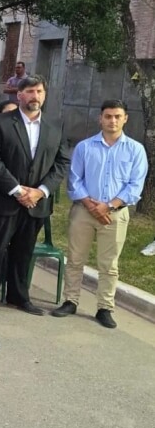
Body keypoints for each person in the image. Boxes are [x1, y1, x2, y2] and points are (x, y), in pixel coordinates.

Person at [0, 75, 70, 316]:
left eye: (39, 91)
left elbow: (61, 162)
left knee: (24, 252)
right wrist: (17, 190)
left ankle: (18, 297)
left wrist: (41, 191)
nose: (35, 96)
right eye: (30, 92)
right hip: (3, 200)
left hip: (36, 203)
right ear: (19, 95)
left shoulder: (55, 125)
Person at [52, 100, 148, 328]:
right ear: (100, 118)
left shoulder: (135, 149)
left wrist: (109, 206)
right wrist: (91, 205)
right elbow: (75, 180)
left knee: (109, 264)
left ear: (125, 119)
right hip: (83, 211)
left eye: (117, 116)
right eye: (108, 116)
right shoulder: (85, 147)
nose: (112, 121)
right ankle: (70, 301)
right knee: (75, 259)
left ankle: (105, 307)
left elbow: (135, 185)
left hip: (115, 215)